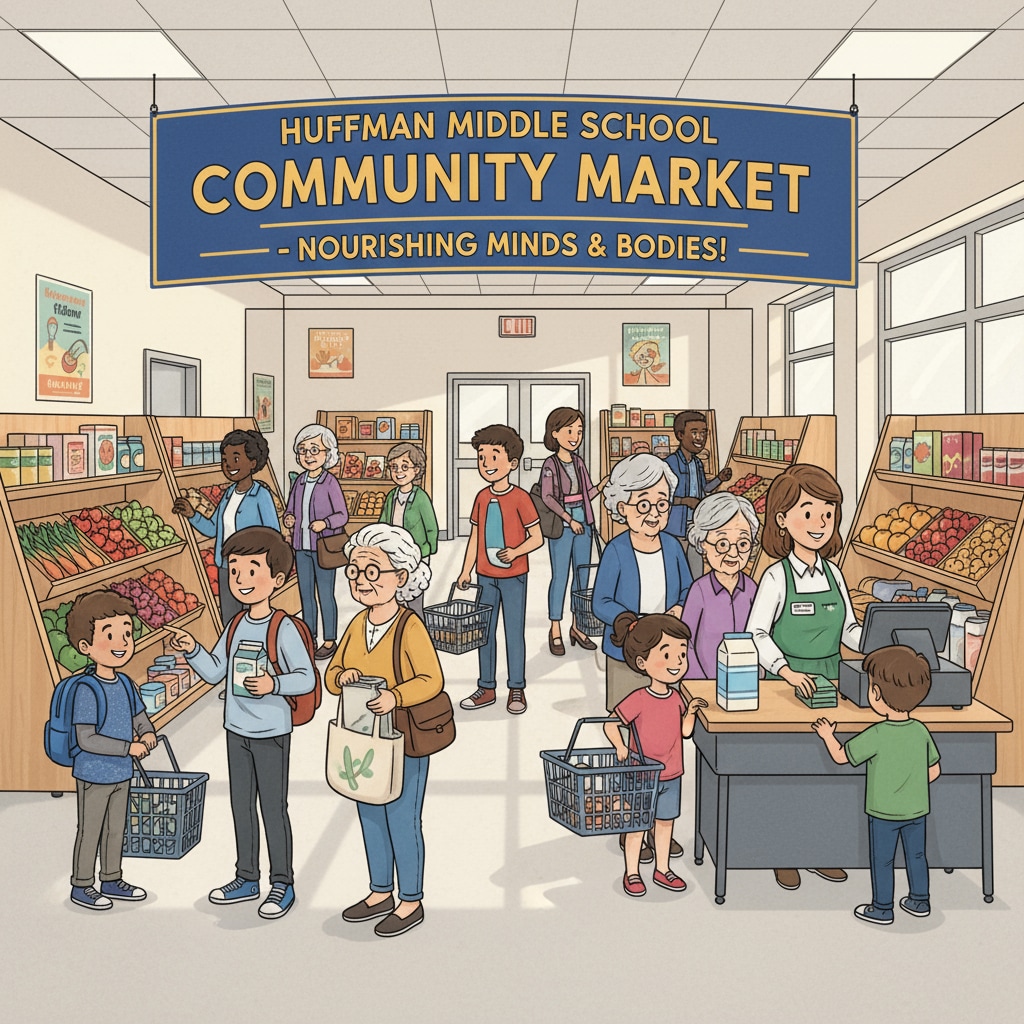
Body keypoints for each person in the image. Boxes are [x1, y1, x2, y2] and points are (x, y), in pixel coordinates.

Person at [168, 526, 316, 922]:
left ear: (277, 580)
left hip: (271, 731)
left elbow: (306, 677)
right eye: (234, 572)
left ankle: (281, 882)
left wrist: (274, 684)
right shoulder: (234, 627)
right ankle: (246, 876)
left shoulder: (281, 627)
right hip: (237, 729)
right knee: (240, 806)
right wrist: (193, 650)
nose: (241, 581)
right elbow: (216, 671)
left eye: (252, 571)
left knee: (272, 807)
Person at [746, 462, 863, 891]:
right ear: (782, 519)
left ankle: (820, 849)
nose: (819, 524)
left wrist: (872, 642)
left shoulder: (834, 574)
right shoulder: (776, 577)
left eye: (827, 514)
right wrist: (785, 670)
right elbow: (757, 632)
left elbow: (849, 629)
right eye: (808, 513)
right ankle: (783, 853)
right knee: (788, 773)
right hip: (786, 688)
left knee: (827, 773)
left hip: (832, 683)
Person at [325, 524, 444, 938]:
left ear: (401, 577)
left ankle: (410, 899)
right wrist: (342, 676)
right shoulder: (357, 624)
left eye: (373, 571)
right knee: (368, 812)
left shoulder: (410, 626)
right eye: (355, 572)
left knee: (402, 817)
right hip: (362, 737)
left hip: (404, 739)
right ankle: (380, 892)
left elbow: (431, 679)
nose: (362, 581)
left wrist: (395, 696)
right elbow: (333, 673)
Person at [813, 645, 941, 925]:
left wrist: (826, 734)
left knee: (882, 860)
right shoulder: (920, 730)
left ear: (876, 694)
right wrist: (910, 787)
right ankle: (920, 901)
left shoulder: (877, 734)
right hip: (916, 810)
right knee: (917, 855)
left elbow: (840, 756)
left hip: (882, 812)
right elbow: (934, 770)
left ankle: (883, 908)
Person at [604, 611, 708, 898]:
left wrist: (692, 713)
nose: (677, 662)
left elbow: (685, 732)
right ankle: (632, 872)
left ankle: (663, 869)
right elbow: (612, 723)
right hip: (642, 774)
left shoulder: (676, 698)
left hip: (672, 773)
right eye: (667, 654)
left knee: (664, 825)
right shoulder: (639, 698)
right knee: (637, 826)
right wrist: (621, 746)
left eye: (682, 654)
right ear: (643, 662)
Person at [65, 590, 156, 910]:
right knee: (90, 829)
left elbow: (140, 717)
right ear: (85, 647)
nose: (122, 642)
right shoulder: (87, 690)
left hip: (121, 771)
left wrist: (148, 734)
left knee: (117, 827)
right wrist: (127, 747)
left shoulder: (127, 684)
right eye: (111, 635)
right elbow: (86, 739)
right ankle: (82, 884)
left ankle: (112, 877)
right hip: (93, 772)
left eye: (127, 633)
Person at [457, 424, 543, 716]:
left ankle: (516, 687)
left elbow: (537, 538)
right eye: (482, 457)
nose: (487, 464)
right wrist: (466, 571)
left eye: (494, 457)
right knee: (484, 632)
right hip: (485, 577)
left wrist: (516, 551)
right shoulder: (481, 497)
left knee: (514, 633)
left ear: (512, 463)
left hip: (514, 576)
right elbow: (475, 537)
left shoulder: (520, 498)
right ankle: (487, 687)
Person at [172, 428, 280, 626]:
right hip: (226, 567)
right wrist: (192, 515)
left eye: (236, 458)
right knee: (229, 620)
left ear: (253, 463)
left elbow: (273, 536)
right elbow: (213, 528)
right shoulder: (229, 494)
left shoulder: (261, 495)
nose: (228, 464)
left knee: (253, 618)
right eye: (225, 459)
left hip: (252, 569)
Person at [283, 423, 349, 660]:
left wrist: (326, 523)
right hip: (301, 548)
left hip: (323, 548)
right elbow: (290, 509)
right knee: (305, 594)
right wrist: (289, 519)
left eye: (314, 450)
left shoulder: (330, 482)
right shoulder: (299, 481)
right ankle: (308, 636)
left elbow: (343, 515)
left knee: (325, 594)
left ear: (327, 454)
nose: (308, 456)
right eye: (303, 450)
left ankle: (329, 639)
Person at [539, 406, 601, 657]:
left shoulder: (579, 462)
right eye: (569, 430)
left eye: (579, 431)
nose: (575, 436)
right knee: (560, 577)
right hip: (563, 527)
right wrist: (568, 519)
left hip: (583, 524)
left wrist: (604, 484)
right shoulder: (550, 464)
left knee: (582, 578)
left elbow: (588, 493)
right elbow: (547, 497)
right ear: (555, 433)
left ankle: (577, 627)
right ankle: (555, 628)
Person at [681, 492, 760, 679]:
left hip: (747, 681)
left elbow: (761, 636)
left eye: (742, 543)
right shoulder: (699, 591)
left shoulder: (752, 589)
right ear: (703, 544)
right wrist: (697, 684)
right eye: (722, 544)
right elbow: (686, 642)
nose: (733, 554)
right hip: (706, 682)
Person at [664, 410, 732, 581]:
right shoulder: (670, 463)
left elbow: (704, 489)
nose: (700, 438)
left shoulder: (698, 463)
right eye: (694, 432)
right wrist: (684, 501)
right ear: (680, 435)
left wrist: (719, 479)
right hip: (675, 528)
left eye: (704, 433)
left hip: (696, 525)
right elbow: (662, 498)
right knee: (675, 571)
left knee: (696, 571)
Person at [379, 441, 438, 618]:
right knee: (394, 600)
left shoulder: (421, 498)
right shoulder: (391, 496)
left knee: (414, 602)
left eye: (405, 467)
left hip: (416, 558)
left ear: (416, 470)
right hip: (393, 556)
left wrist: (421, 554)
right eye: (394, 467)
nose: (399, 472)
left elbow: (432, 531)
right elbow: (382, 524)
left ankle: (419, 639)